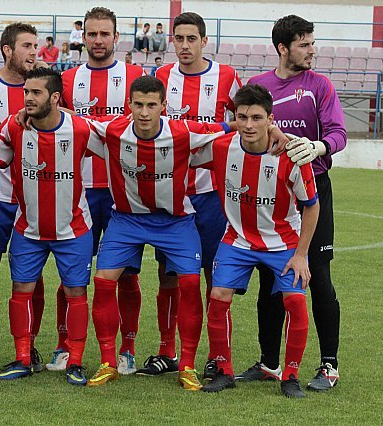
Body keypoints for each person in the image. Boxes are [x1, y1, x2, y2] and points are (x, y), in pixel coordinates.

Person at [84, 76, 232, 387]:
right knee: (103, 280)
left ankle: (187, 365)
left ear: (164, 107)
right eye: (138, 105)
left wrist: (272, 130)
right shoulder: (113, 129)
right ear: (129, 105)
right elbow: (71, 120)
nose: (145, 112)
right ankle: (109, 361)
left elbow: (227, 129)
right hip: (127, 220)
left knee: (190, 282)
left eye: (152, 105)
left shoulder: (183, 132)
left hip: (175, 221)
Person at [237, 14, 346, 392]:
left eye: (312, 42)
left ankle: (328, 365)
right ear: (283, 48)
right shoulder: (258, 85)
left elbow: (338, 134)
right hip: (272, 192)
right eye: (304, 43)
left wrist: (318, 147)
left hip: (313, 189)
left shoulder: (321, 86)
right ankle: (269, 363)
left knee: (316, 276)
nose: (311, 49)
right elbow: (243, 131)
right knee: (270, 277)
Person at [194, 84, 319, 398]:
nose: (249, 125)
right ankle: (223, 370)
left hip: (284, 243)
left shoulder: (291, 155)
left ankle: (289, 375)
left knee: (295, 301)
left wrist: (302, 255)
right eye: (242, 117)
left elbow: (312, 205)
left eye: (257, 118)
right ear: (235, 117)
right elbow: (185, 146)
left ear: (271, 119)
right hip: (237, 240)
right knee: (218, 294)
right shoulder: (221, 147)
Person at [143, 11, 241, 388]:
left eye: (191, 39)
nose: (184, 46)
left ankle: (219, 360)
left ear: (204, 41)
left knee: (216, 277)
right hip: (174, 197)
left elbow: (246, 119)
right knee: (169, 277)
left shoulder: (227, 78)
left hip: (213, 195)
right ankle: (168, 352)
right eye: (178, 39)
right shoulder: (161, 79)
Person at [52, 6, 145, 375]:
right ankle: (63, 346)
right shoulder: (68, 79)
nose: (98, 40)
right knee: (71, 273)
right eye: (91, 33)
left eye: (105, 34)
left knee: (127, 275)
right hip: (79, 189)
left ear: (116, 37)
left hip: (125, 190)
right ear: (82, 37)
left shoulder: (136, 76)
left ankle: (128, 348)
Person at [0, 68, 97, 386]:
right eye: (26, 92)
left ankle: (75, 361)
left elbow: (117, 144)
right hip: (28, 229)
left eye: (36, 93)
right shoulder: (14, 127)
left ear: (54, 98)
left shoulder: (81, 129)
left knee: (76, 292)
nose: (28, 98)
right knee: (21, 291)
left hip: (73, 229)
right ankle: (23, 358)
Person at [0, 22, 46, 373]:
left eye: (37, 46)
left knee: (34, 276)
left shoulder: (44, 86)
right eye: (28, 46)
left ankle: (28, 346)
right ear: (7, 49)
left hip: (35, 198)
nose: (35, 52)